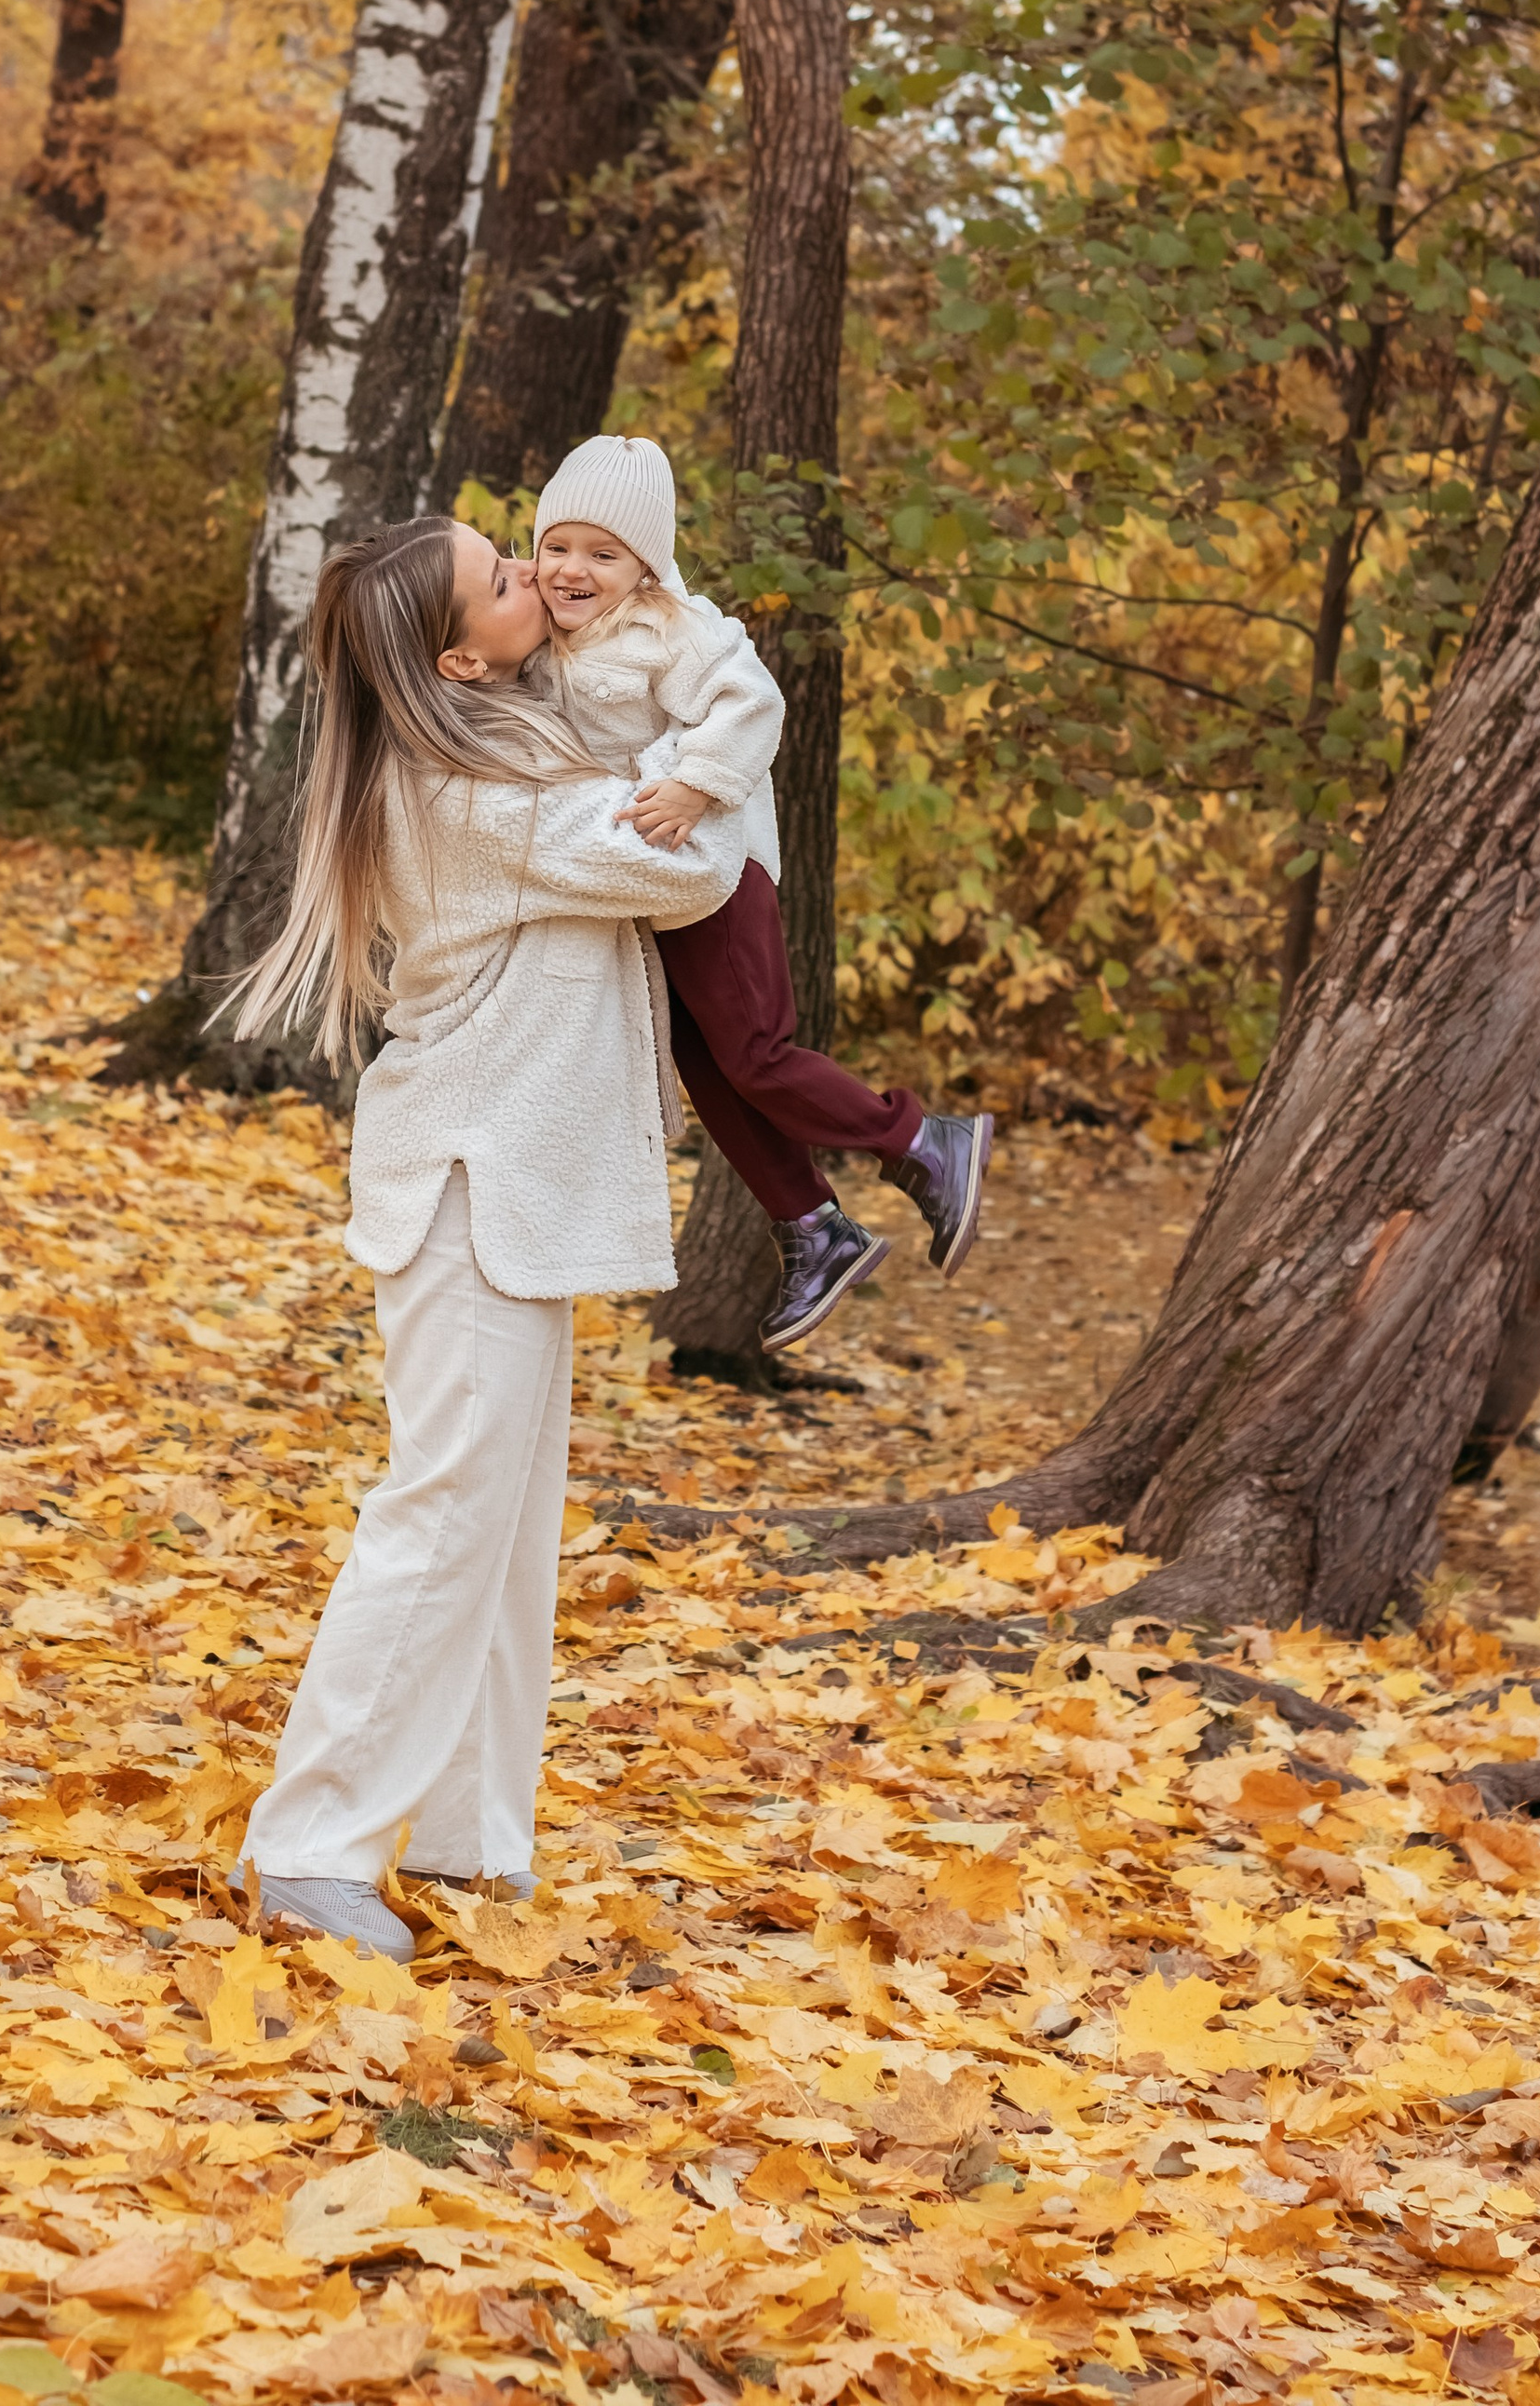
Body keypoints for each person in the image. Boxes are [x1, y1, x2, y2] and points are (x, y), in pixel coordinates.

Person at [224, 510, 750, 1960]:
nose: (536, 576)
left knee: (505, 1529)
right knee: (448, 1511)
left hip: (508, 1190)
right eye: (505, 579)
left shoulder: (506, 748)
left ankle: (467, 1839)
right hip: (474, 1188)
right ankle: (307, 1851)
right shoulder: (481, 797)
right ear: (460, 658)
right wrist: (711, 703)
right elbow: (695, 867)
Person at [531, 433, 993, 1352]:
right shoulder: (551, 633)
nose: (572, 570)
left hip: (718, 874)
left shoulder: (675, 626)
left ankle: (920, 1143)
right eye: (557, 546)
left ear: (645, 565)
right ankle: (814, 1228)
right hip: (649, 893)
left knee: (755, 1053)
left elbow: (753, 703)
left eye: (602, 553)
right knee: (706, 1065)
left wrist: (696, 783)